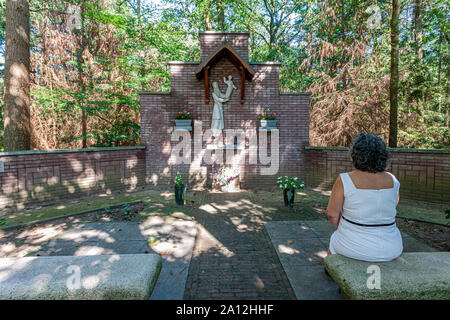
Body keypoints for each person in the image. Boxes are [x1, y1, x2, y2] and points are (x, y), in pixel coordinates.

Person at [326, 134, 403, 262]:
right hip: (393, 247)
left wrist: (347, 229)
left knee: (334, 241)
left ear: (355, 156)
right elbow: (393, 205)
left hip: (354, 246)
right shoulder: (393, 180)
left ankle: (329, 270)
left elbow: (332, 214)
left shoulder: (344, 179)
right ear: (383, 156)